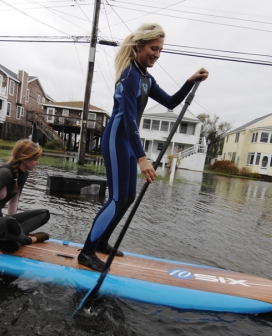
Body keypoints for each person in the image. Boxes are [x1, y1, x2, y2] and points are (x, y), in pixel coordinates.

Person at [78, 23, 209, 271]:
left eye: (160, 50)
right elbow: (128, 118)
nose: (156, 54)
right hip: (117, 141)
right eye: (153, 48)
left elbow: (170, 102)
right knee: (117, 198)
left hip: (129, 143)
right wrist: (142, 158)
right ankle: (86, 252)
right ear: (139, 46)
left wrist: (190, 81)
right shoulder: (129, 76)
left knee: (127, 197)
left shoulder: (146, 78)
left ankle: (103, 242)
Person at [0, 139, 50, 254]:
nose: (38, 162)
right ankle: (28, 239)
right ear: (25, 158)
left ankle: (13, 236)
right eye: (35, 159)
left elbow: (13, 202)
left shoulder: (24, 174)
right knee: (10, 224)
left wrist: (12, 230)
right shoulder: (4, 174)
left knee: (44, 214)